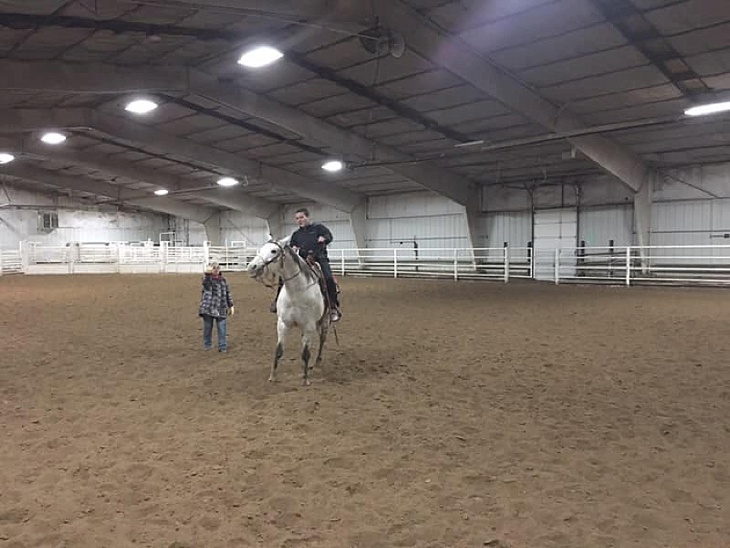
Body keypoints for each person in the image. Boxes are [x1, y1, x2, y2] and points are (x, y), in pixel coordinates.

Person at [270, 208, 341, 322]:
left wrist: (324, 238)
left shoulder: (319, 228)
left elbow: (329, 236)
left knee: (328, 278)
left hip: (319, 258)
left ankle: (333, 307)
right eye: (297, 218)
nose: (299, 220)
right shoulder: (296, 234)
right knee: (284, 276)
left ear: (307, 217)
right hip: (302, 260)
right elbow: (292, 246)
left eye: (301, 217)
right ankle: (277, 299)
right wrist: (293, 248)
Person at [199, 262, 234, 352]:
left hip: (221, 307)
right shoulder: (207, 279)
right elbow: (205, 283)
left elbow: (227, 293)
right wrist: (207, 274)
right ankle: (207, 345)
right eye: (214, 268)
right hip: (208, 308)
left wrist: (231, 305)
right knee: (207, 328)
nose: (216, 270)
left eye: (217, 268)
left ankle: (222, 347)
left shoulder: (223, 280)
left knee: (222, 329)